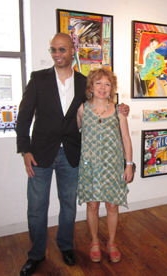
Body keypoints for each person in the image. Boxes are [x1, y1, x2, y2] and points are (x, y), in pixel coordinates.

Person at [16, 33, 129, 276]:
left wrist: (122, 107)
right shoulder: (38, 79)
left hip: (71, 154)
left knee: (68, 205)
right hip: (40, 154)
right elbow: (23, 117)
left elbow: (101, 103)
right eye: (53, 50)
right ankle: (36, 254)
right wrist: (25, 149)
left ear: (72, 50)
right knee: (36, 207)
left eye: (62, 49)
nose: (57, 54)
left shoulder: (82, 82)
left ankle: (66, 246)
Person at [76, 67, 133, 263]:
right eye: (98, 83)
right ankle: (94, 241)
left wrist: (129, 165)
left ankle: (111, 241)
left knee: (112, 206)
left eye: (107, 84)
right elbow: (73, 135)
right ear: (91, 86)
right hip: (90, 167)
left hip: (113, 167)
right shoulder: (82, 109)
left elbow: (126, 139)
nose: (103, 87)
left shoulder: (119, 110)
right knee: (92, 205)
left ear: (112, 88)